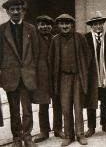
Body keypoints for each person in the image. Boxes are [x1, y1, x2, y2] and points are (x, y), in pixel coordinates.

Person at [0, 0, 39, 147]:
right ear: (8, 12)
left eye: (18, 9)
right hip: (11, 76)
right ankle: (17, 138)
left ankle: (27, 136)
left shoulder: (31, 29)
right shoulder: (1, 30)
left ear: (22, 10)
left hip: (27, 75)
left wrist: (33, 71)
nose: (16, 12)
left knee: (27, 109)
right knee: (14, 110)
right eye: (12, 10)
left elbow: (36, 52)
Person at [49, 14, 91, 146]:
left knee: (78, 107)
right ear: (58, 26)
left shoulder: (79, 37)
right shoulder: (55, 40)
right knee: (66, 108)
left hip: (77, 77)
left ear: (72, 25)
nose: (65, 26)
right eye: (62, 24)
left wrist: (82, 71)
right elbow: (51, 59)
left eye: (67, 23)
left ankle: (80, 134)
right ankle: (68, 135)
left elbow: (88, 56)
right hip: (63, 78)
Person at [33, 15, 64, 143]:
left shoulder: (56, 39)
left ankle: (58, 129)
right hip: (41, 77)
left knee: (58, 103)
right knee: (43, 104)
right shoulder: (33, 39)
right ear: (37, 26)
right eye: (41, 24)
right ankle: (44, 131)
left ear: (51, 26)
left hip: (55, 76)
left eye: (47, 24)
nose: (44, 27)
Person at [84, 11, 106, 138]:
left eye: (100, 24)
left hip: (105, 75)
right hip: (92, 76)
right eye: (95, 24)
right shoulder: (85, 38)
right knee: (91, 102)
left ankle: (105, 125)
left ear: (103, 24)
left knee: (105, 101)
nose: (98, 26)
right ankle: (91, 127)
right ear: (91, 26)